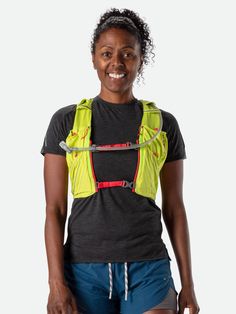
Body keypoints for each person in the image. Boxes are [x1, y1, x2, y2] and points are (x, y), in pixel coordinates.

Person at [41, 7, 200, 314]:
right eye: (107, 53)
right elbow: (54, 209)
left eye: (128, 53)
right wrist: (56, 284)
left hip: (148, 269)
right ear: (93, 59)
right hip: (84, 271)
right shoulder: (67, 122)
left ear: (141, 59)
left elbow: (175, 208)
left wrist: (189, 286)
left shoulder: (164, 125)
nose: (116, 63)